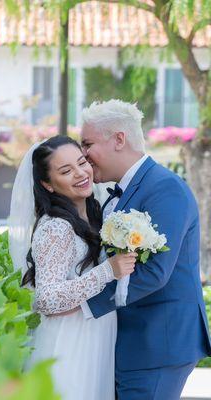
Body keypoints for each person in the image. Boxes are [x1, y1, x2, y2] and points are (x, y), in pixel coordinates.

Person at [80, 99, 211, 400]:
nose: (83, 155)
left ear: (119, 139)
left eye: (87, 144)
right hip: (135, 339)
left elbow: (154, 272)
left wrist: (82, 307)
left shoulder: (165, 187)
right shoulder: (119, 191)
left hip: (157, 342)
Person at [9, 135, 137, 400]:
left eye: (82, 163)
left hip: (96, 336)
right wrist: (107, 271)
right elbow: (46, 298)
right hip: (70, 342)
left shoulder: (95, 213)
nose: (81, 174)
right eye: (66, 171)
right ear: (48, 184)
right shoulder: (55, 227)